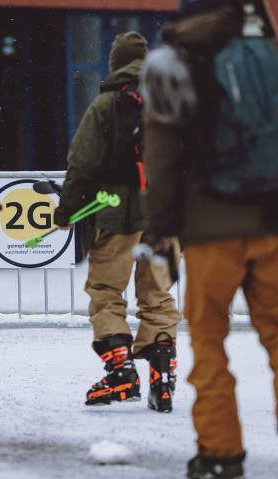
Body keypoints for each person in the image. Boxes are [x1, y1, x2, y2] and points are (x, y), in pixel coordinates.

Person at [142, 0, 278, 479]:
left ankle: (221, 455)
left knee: (210, 340)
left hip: (209, 230)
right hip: (277, 221)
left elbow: (163, 156)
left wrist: (160, 229)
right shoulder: (275, 55)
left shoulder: (176, 63)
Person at [54, 32, 182, 413]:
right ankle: (163, 377)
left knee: (107, 291)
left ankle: (121, 372)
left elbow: (82, 164)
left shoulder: (106, 104)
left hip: (116, 215)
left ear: (115, 64)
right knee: (158, 294)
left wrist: (66, 212)